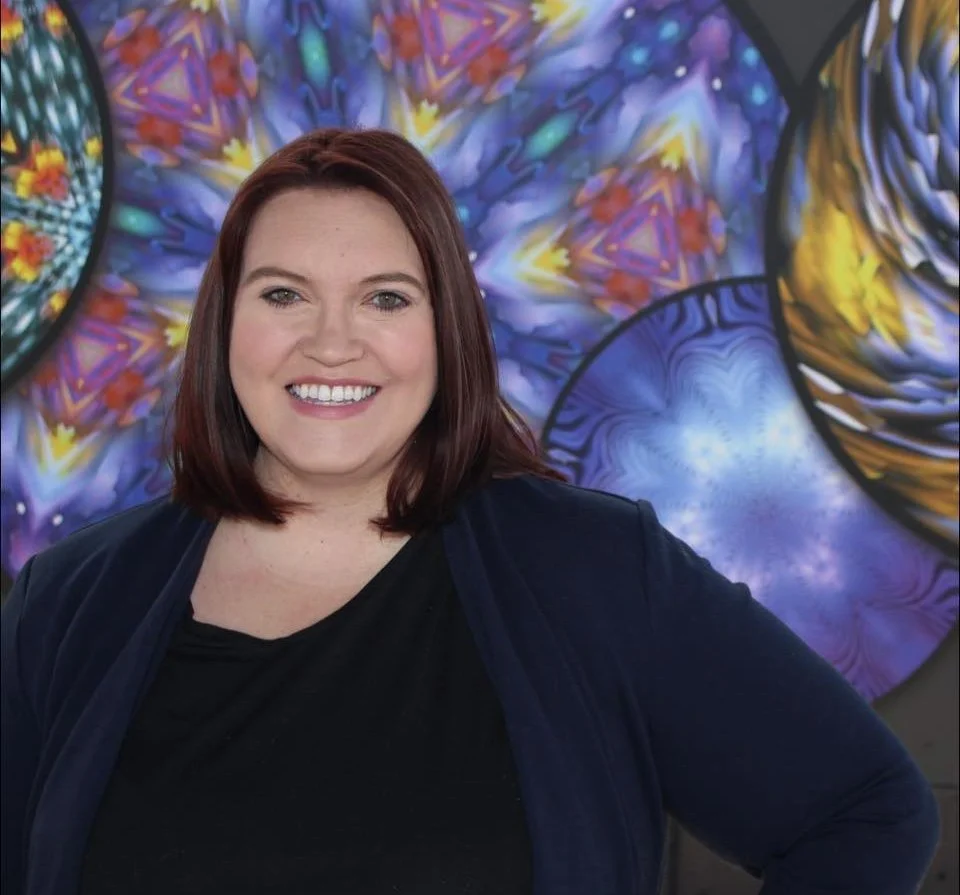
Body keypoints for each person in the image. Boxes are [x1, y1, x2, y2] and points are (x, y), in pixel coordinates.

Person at [1, 127, 939, 895]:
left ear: (445, 330)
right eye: (284, 293)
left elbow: (864, 807)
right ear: (224, 324)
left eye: (385, 298)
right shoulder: (69, 602)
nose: (332, 343)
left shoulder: (592, 572)